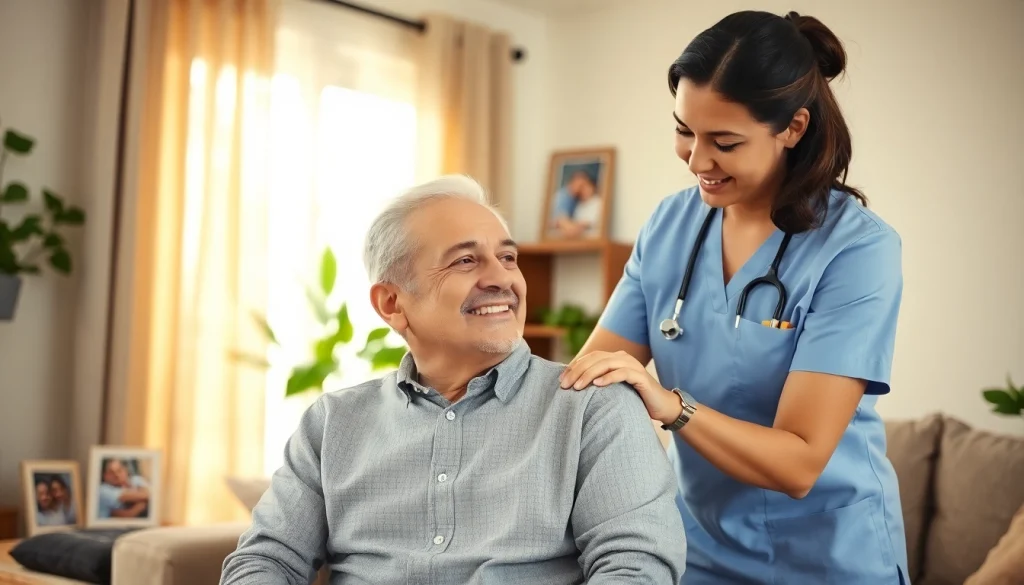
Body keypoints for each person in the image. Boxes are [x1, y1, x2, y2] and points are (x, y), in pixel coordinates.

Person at [558, 10, 909, 585]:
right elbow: (591, 378)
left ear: (793, 128)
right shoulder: (669, 226)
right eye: (683, 131)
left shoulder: (857, 250)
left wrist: (672, 406)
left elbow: (799, 462)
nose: (696, 161)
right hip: (697, 550)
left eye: (724, 142)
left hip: (829, 557)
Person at [220, 175, 687, 585]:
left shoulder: (594, 406)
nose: (502, 279)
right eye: (466, 261)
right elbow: (267, 559)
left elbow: (636, 567)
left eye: (508, 257)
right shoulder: (332, 422)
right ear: (391, 303)